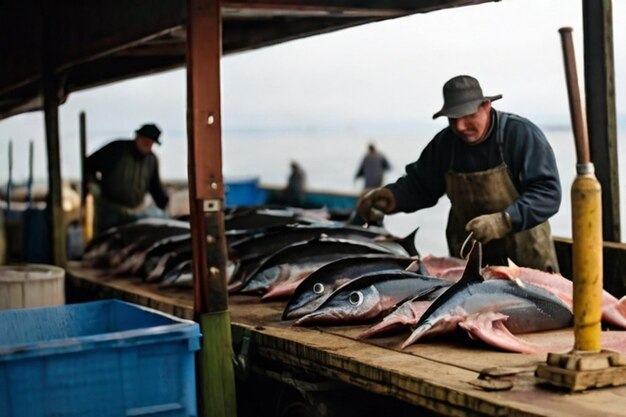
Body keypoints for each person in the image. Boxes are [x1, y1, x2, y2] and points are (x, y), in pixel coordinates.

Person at [356, 75, 561, 272]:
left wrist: (504, 220)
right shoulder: (445, 143)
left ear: (486, 106)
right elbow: (420, 186)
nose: (460, 126)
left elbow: (548, 193)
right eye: (453, 119)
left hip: (526, 261)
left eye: (469, 116)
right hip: (469, 263)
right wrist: (391, 197)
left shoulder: (520, 135)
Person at [85, 123, 169, 234]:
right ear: (137, 137)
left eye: (151, 144)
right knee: (107, 240)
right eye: (145, 142)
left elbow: (155, 187)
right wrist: (92, 183)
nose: (148, 147)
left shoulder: (151, 160)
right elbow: (89, 164)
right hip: (110, 211)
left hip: (134, 213)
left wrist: (166, 206)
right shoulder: (117, 149)